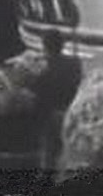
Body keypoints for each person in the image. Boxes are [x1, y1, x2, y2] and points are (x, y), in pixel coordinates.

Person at [32, 30, 83, 171]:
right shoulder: (75, 63)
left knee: (48, 155)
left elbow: (37, 91)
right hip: (69, 112)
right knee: (69, 154)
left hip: (49, 115)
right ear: (62, 45)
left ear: (44, 46)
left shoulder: (41, 67)